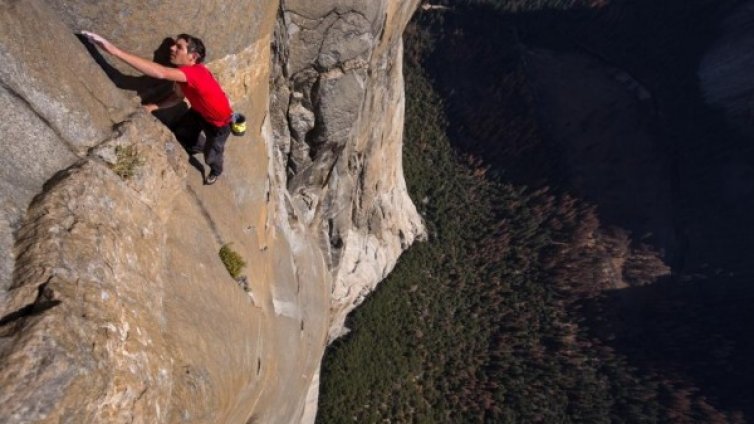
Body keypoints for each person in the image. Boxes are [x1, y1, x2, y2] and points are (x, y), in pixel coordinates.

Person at [82, 31, 232, 185]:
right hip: (199, 112)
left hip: (219, 123)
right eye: (174, 44)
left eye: (179, 47)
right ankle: (200, 146)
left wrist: (115, 51)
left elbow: (161, 73)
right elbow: (178, 97)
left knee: (212, 154)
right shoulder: (183, 75)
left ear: (192, 57)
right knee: (183, 133)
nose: (172, 48)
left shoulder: (195, 73)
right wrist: (152, 107)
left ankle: (216, 169)